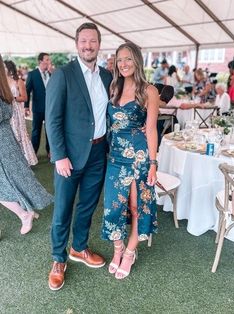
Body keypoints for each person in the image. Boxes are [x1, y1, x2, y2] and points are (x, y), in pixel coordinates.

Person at [45, 23, 113, 291]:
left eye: (93, 41)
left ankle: (79, 248)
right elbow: (53, 119)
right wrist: (59, 155)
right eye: (83, 41)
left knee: (87, 205)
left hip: (98, 152)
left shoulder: (107, 76)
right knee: (62, 208)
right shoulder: (63, 75)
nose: (88, 45)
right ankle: (58, 259)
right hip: (69, 156)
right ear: (76, 44)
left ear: (99, 44)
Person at [101, 42, 159, 279]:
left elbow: (152, 129)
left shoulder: (149, 91)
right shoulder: (113, 87)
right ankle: (118, 249)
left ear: (137, 61)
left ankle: (130, 253)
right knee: (113, 208)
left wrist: (153, 164)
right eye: (120, 59)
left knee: (136, 208)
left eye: (128, 59)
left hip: (139, 158)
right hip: (115, 158)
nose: (123, 64)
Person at [0, 54, 53, 235]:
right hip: (6, 138)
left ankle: (24, 214)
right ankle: (27, 209)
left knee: (8, 182)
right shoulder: (4, 86)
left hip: (3, 142)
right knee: (17, 177)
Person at [4, 60, 38, 166]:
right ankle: (12, 161)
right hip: (6, 111)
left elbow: (24, 97)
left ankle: (26, 160)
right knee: (9, 135)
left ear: (9, 69)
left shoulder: (18, 81)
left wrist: (12, 98)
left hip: (16, 112)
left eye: (4, 67)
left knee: (19, 133)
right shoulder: (3, 82)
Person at [25, 52, 51, 157]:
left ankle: (50, 151)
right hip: (38, 109)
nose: (49, 62)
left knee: (50, 131)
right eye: (47, 60)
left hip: (50, 108)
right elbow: (27, 90)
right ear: (41, 61)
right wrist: (26, 106)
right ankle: (33, 153)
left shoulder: (51, 73)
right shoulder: (32, 74)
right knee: (36, 132)